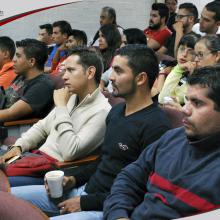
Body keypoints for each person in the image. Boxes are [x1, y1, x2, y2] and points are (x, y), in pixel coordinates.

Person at [12, 44, 171, 220]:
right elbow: (103, 160)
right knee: (7, 200)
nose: (110, 77)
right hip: (85, 190)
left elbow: (140, 189)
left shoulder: (157, 126)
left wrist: (85, 203)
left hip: (107, 206)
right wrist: (72, 180)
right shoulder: (117, 112)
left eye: (118, 71)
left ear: (140, 79)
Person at [104, 65, 220, 220]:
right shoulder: (172, 138)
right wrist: (118, 215)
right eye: (186, 100)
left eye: (197, 103)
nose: (185, 110)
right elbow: (129, 178)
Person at [1, 46, 111, 187]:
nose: (64, 76)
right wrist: (17, 148)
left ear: (90, 73)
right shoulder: (71, 97)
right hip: (34, 160)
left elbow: (70, 152)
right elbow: (41, 128)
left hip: (54, 172)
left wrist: (61, 108)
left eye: (71, 70)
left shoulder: (102, 111)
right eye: (65, 70)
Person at [0, 38, 54, 122]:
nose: (14, 60)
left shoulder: (42, 86)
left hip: (13, 130)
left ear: (31, 61)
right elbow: (5, 97)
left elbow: (10, 113)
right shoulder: (21, 76)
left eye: (18, 56)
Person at [100, 28, 147, 92]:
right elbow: (104, 77)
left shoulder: (139, 67)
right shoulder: (120, 61)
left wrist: (110, 94)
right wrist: (101, 86)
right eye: (121, 42)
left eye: (125, 43)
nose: (121, 46)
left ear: (134, 45)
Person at [158, 34, 199, 105]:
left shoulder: (194, 76)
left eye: (191, 52)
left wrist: (162, 74)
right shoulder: (166, 63)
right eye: (182, 49)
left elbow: (164, 100)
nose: (184, 54)